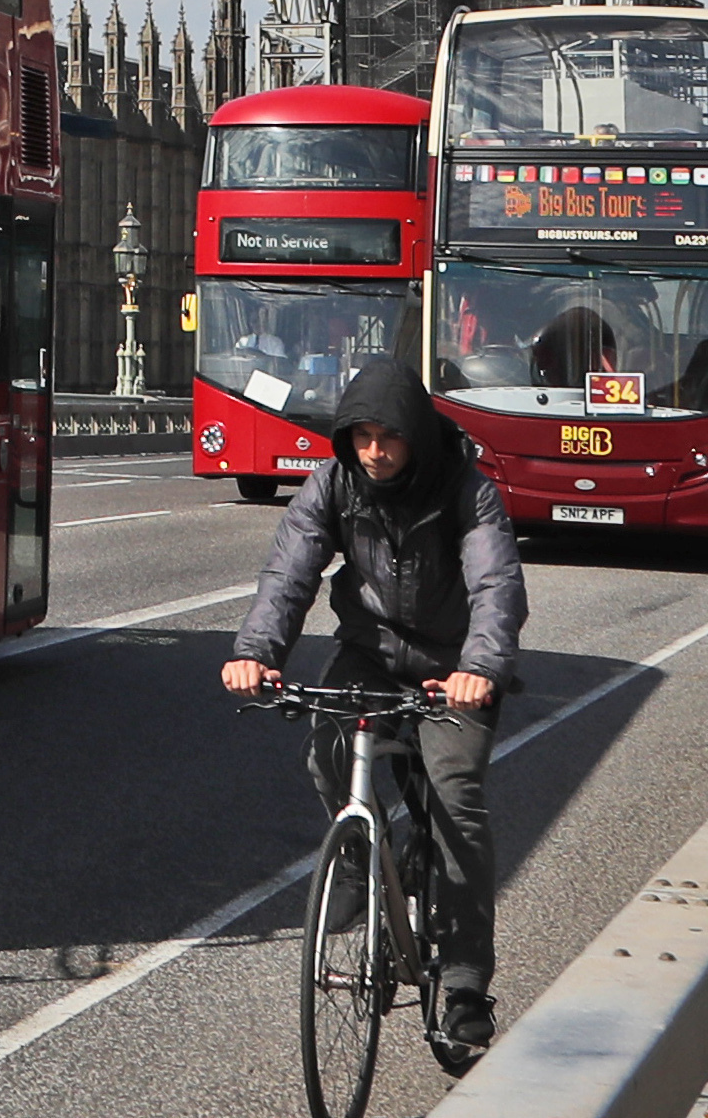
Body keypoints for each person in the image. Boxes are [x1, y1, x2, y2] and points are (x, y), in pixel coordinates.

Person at [221, 358, 528, 1072]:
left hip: (453, 665)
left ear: (415, 434)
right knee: (325, 753)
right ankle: (361, 857)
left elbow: (495, 585)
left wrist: (480, 669)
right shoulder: (333, 483)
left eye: (388, 436)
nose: (374, 451)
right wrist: (257, 652)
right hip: (368, 654)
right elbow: (290, 571)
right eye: (360, 436)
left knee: (454, 799)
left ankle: (463, 982)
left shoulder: (467, 490)